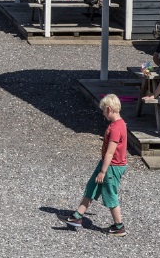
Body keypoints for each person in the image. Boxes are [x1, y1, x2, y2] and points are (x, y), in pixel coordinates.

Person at [63, 94, 128, 236]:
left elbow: (111, 152)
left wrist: (103, 171)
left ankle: (119, 226)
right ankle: (77, 216)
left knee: (110, 195)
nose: (103, 114)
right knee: (92, 186)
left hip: (112, 166)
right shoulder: (120, 124)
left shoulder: (116, 128)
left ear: (109, 109)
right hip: (106, 164)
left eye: (104, 111)